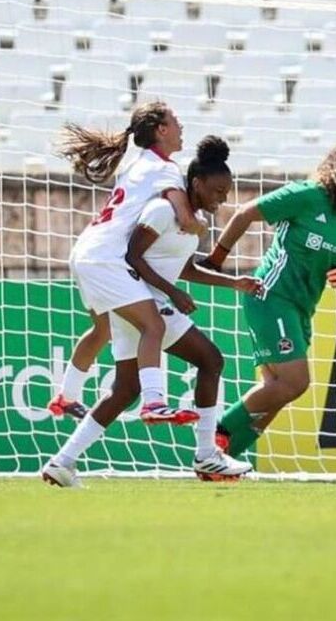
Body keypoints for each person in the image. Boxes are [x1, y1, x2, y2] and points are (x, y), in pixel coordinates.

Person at [42, 137, 261, 487]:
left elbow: (185, 267)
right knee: (211, 360)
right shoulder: (162, 210)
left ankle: (62, 461)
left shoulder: (190, 222)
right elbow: (133, 256)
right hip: (142, 300)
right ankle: (206, 455)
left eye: (227, 193)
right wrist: (172, 293)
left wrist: (233, 283)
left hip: (140, 306)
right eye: (218, 191)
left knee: (124, 389)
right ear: (196, 182)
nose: (222, 200)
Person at [200, 143, 336, 460]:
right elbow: (245, 214)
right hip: (271, 296)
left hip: (301, 309)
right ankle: (215, 436)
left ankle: (222, 463)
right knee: (295, 382)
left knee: (276, 391)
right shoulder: (307, 195)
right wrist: (216, 260)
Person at [57, 102, 205, 425]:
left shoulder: (135, 165)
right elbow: (183, 217)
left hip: (84, 251)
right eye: (176, 120)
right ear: (161, 130)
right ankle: (153, 403)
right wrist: (200, 226)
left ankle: (66, 396)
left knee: (103, 329)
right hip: (105, 259)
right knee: (153, 325)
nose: (182, 127)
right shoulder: (166, 170)